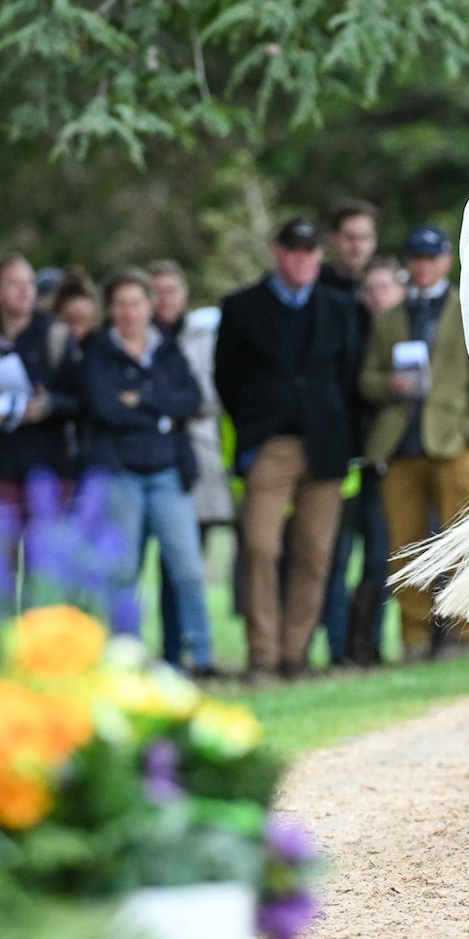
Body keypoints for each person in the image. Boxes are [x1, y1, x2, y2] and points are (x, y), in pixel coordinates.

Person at [214, 218, 364, 681]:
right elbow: (226, 380)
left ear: (320, 255)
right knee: (259, 548)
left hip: (325, 447)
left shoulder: (341, 308)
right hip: (270, 445)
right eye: (294, 250)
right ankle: (263, 655)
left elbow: (350, 378)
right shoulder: (241, 307)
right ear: (277, 253)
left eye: (311, 250)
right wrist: (251, 436)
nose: (303, 258)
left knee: (316, 555)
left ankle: (294, 654)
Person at [362, 224, 469, 659]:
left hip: (452, 443)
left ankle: (463, 632)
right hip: (400, 444)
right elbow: (366, 379)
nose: (424, 266)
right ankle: (414, 636)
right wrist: (389, 384)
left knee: (460, 540)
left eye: (431, 258)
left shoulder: (468, 309)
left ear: (446, 261)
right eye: (416, 258)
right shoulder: (388, 318)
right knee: (405, 545)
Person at [82, 268, 215, 678]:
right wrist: (159, 414)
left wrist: (142, 398)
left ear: (149, 307)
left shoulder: (167, 348)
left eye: (136, 303)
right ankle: (128, 661)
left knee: (188, 570)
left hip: (168, 473)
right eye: (120, 304)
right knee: (124, 572)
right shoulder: (98, 352)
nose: (129, 312)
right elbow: (105, 408)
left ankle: (204, 658)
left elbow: (191, 398)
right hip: (123, 473)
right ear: (111, 310)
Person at [0, 254, 80, 621]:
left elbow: (83, 400)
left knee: (44, 573)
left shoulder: (55, 335)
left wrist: (49, 405)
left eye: (29, 283)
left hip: (48, 468)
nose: (25, 291)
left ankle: (37, 658)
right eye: (14, 283)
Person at [146, 259, 232, 669]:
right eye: (156, 290)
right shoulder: (138, 337)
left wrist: (163, 405)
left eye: (172, 290)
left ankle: (195, 651)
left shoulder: (204, 336)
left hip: (197, 456)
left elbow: (210, 396)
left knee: (188, 563)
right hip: (146, 456)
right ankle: (168, 651)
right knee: (160, 566)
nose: (165, 299)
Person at [324, 258, 405, 666]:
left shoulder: (402, 333)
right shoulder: (345, 330)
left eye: (384, 288)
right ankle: (340, 648)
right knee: (336, 559)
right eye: (370, 290)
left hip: (381, 465)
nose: (377, 298)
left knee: (378, 559)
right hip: (342, 462)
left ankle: (366, 645)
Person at [321, 200, 381, 298]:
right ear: (332, 239)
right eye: (350, 238)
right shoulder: (313, 284)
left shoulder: (389, 288)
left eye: (364, 237)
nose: (358, 247)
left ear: (375, 240)